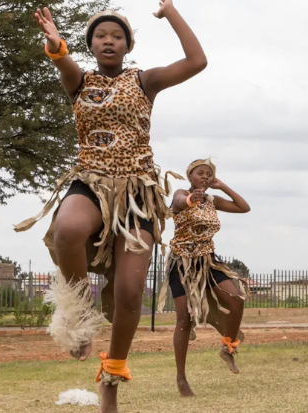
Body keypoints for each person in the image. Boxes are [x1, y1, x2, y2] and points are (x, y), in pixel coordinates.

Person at [15, 2, 207, 411]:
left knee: (129, 292)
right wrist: (55, 46)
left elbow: (197, 61)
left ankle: (112, 376)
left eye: (117, 36)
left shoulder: (144, 81)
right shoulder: (80, 82)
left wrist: (171, 12)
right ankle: (81, 315)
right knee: (67, 229)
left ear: (127, 45)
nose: (108, 40)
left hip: (137, 193)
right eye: (101, 35)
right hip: (91, 181)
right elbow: (64, 65)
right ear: (90, 44)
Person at [157, 159, 250, 396]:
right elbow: (178, 202)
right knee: (185, 320)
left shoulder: (212, 201)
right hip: (183, 263)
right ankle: (181, 379)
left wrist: (222, 186)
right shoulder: (181, 193)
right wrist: (191, 199)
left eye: (209, 174)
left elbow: (243, 207)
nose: (205, 176)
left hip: (208, 261)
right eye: (200, 173)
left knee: (236, 299)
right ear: (190, 176)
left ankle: (227, 348)